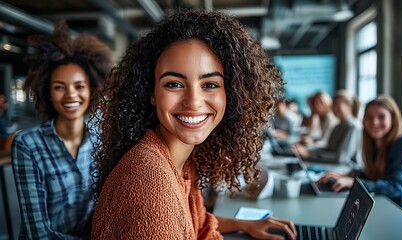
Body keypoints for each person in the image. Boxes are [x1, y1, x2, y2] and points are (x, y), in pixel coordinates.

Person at [91, 10, 297, 240]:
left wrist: (245, 225)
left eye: (209, 85)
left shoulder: (180, 160)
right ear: (151, 92)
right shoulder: (149, 181)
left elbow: (196, 224)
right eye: (174, 84)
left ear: (230, 93)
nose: (193, 102)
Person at [11, 20, 113, 239]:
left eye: (79, 86)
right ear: (48, 92)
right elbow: (38, 233)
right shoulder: (28, 145)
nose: (70, 95)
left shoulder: (101, 139)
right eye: (59, 87)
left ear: (92, 89)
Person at [319, 95, 402, 228]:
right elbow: (373, 175)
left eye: (381, 117)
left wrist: (354, 182)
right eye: (369, 117)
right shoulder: (374, 143)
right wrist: (346, 176)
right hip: (385, 213)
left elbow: (394, 186)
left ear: (393, 119)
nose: (374, 122)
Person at [295, 90, 362, 165]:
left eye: (338, 105)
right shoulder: (337, 126)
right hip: (334, 166)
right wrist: (307, 150)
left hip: (345, 169)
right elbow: (328, 148)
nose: (334, 109)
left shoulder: (353, 127)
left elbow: (341, 158)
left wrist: (310, 154)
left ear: (349, 107)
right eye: (334, 105)